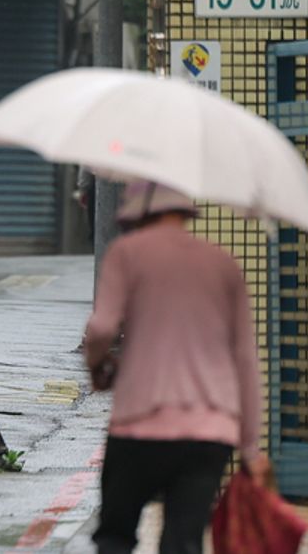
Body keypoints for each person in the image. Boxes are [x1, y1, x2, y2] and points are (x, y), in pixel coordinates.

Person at [84, 181, 269, 554]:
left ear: (137, 211)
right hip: (208, 433)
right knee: (183, 542)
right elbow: (245, 360)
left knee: (115, 535)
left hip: (139, 426)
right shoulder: (223, 263)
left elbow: (102, 328)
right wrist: (251, 448)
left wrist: (98, 365)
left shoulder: (127, 254)